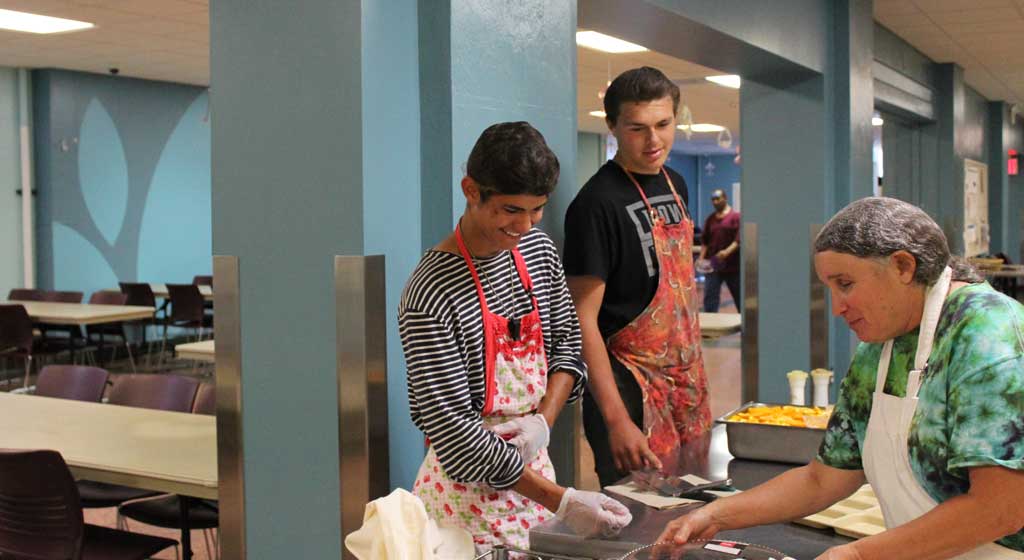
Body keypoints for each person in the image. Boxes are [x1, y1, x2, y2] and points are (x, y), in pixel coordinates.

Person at [660, 197, 1024, 560]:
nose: (836, 308)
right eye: (830, 288)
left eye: (846, 284)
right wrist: (715, 515)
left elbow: (1000, 508)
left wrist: (857, 555)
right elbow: (823, 478)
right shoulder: (880, 345)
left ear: (903, 266)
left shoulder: (989, 336)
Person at [399, 122, 632, 552]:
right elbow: (455, 436)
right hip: (464, 505)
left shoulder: (539, 253)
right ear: (471, 190)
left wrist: (541, 423)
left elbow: (567, 346)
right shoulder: (431, 292)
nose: (525, 226)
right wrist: (563, 501)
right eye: (511, 210)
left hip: (534, 480)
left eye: (537, 209)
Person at [564, 66, 711, 488]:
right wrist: (616, 419)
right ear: (612, 126)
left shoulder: (675, 183)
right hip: (629, 387)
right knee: (640, 513)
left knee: (693, 503)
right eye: (637, 128)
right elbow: (582, 320)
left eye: (663, 125)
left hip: (686, 381)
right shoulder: (596, 204)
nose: (653, 141)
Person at [699, 188, 741, 312]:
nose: (715, 202)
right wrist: (701, 258)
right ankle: (710, 320)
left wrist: (726, 252)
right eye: (713, 199)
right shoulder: (710, 219)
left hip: (733, 267)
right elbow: (705, 242)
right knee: (710, 298)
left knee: (740, 298)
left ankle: (745, 322)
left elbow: (739, 240)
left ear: (725, 198)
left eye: (718, 199)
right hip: (714, 266)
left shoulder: (736, 217)